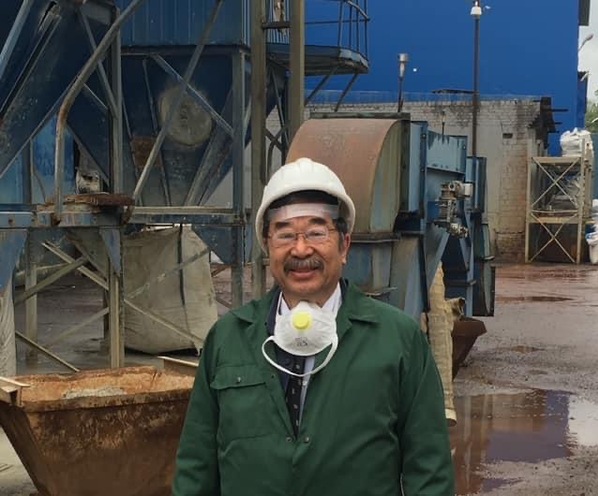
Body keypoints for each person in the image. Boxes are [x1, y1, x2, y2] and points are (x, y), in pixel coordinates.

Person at [172, 157, 455, 496]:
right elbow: (196, 468)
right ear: (267, 246)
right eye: (285, 235)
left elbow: (430, 473)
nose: (301, 249)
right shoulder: (228, 338)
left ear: (344, 245)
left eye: (317, 233)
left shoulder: (397, 341)